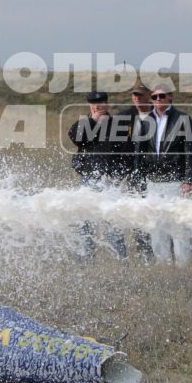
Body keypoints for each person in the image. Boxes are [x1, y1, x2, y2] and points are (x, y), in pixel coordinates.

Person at [136, 85, 192, 265]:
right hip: (153, 181)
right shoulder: (146, 120)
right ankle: (163, 265)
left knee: (178, 225)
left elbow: (190, 151)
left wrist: (188, 179)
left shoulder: (183, 119)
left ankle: (183, 265)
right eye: (154, 97)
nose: (158, 100)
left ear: (170, 97)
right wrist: (139, 180)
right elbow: (139, 154)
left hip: (174, 180)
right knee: (157, 226)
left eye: (161, 96)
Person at [66, 91, 131, 258]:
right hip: (87, 179)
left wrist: (120, 174)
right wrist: (92, 121)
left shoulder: (117, 124)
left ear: (106, 104)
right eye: (93, 103)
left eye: (100, 102)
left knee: (111, 221)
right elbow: (75, 137)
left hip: (109, 180)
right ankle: (86, 259)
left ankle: (120, 259)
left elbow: (127, 152)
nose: (97, 106)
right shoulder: (85, 123)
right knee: (84, 221)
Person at [124, 84, 156, 261]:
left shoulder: (159, 115)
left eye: (139, 95)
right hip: (133, 175)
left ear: (149, 96)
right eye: (133, 95)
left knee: (156, 211)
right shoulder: (126, 116)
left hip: (154, 174)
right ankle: (144, 252)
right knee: (138, 213)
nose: (136, 98)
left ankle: (163, 250)